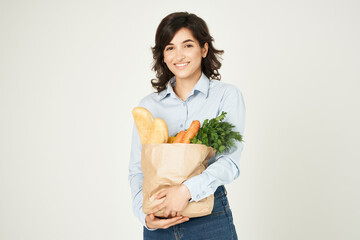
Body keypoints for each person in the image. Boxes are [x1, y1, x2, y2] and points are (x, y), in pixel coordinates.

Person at [129, 12, 245, 240]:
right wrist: (144, 215)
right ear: (162, 56)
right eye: (170, 48)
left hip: (209, 219)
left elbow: (230, 162)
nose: (178, 55)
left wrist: (186, 191)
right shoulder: (148, 106)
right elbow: (137, 170)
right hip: (159, 220)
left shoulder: (226, 96)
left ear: (204, 49)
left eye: (187, 45)